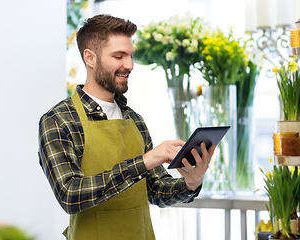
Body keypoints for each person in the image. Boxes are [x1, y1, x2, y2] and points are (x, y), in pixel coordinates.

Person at [38, 14, 216, 240]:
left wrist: (191, 183)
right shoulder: (59, 120)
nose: (129, 65)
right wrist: (145, 161)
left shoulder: (134, 119)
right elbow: (70, 195)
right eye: (118, 56)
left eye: (130, 56)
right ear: (90, 58)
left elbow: (156, 191)